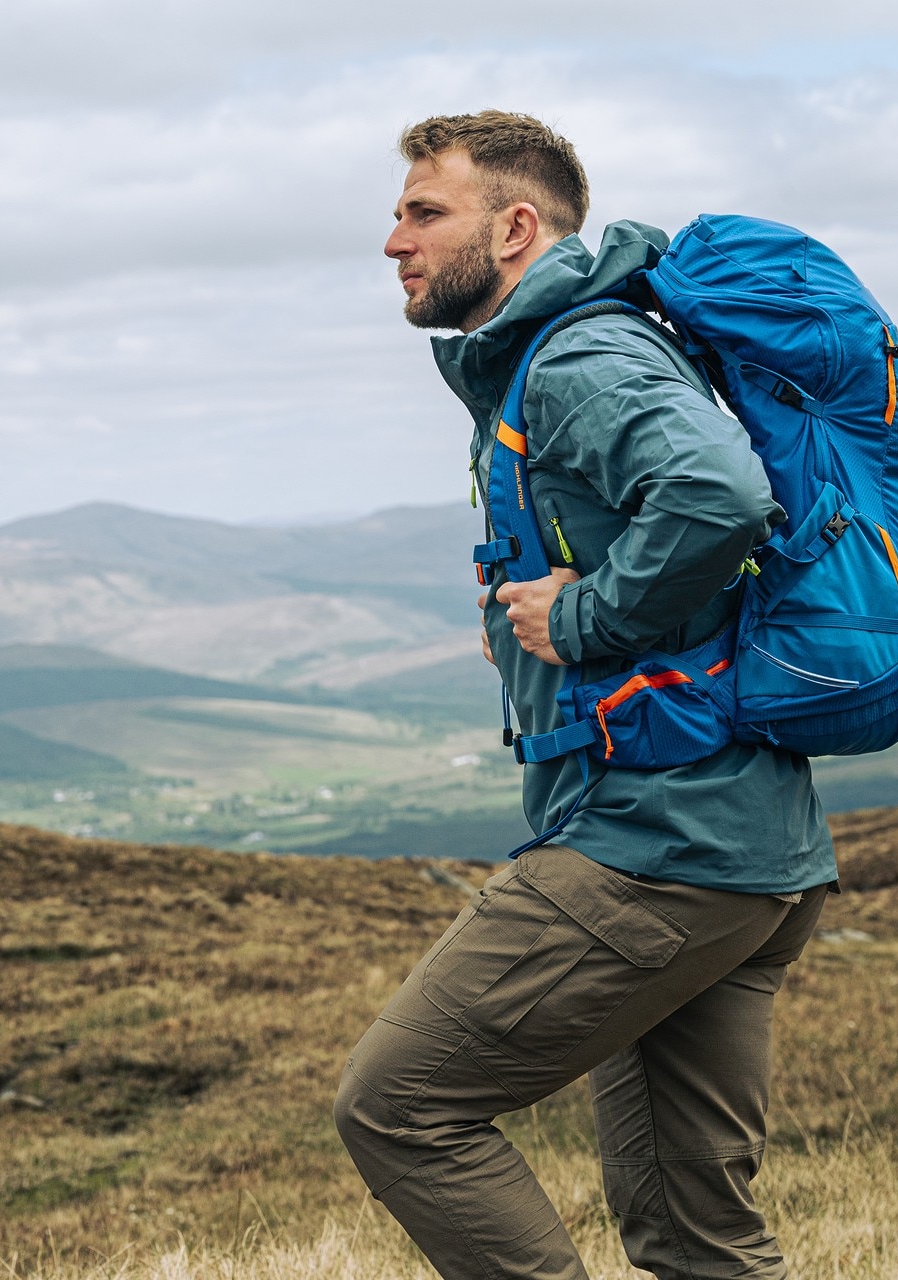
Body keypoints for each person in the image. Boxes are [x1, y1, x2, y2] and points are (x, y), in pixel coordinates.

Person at [333, 110, 836, 1280]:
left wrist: (580, 619)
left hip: (656, 842)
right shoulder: (567, 353)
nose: (392, 240)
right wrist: (539, 630)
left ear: (514, 228)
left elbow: (717, 493)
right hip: (744, 847)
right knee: (698, 1235)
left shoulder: (576, 356)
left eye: (423, 211)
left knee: (399, 1103)